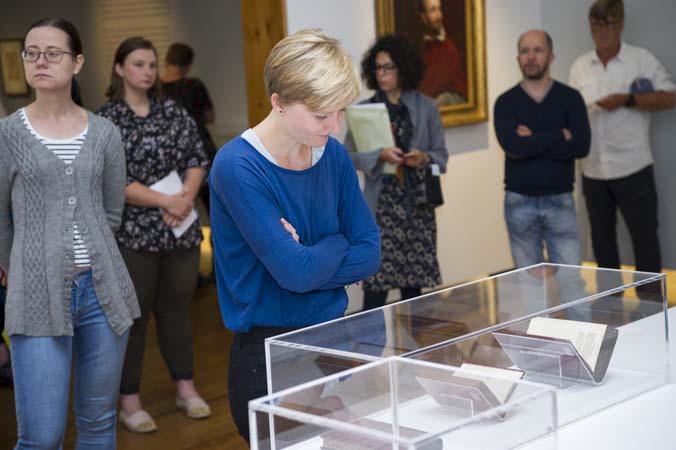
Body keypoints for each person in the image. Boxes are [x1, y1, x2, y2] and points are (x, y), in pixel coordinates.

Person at [209, 29, 381, 442]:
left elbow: (370, 253)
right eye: (322, 115)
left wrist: (309, 251)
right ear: (278, 103)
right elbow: (296, 275)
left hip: (332, 339)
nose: (335, 126)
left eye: (339, 111)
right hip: (269, 356)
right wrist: (339, 241)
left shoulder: (332, 154)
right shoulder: (237, 166)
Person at [0, 17, 139, 448]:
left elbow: (112, 212)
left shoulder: (104, 134)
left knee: (98, 423)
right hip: (35, 293)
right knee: (41, 436)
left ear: (77, 62)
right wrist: (17, 266)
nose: (40, 61)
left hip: (104, 292)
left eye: (53, 53)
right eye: (32, 53)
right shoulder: (7, 134)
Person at [98, 36, 210, 433]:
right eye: (137, 64)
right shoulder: (107, 119)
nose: (146, 71)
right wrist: (167, 201)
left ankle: (185, 387)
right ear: (119, 69)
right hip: (135, 235)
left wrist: (186, 197)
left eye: (151, 64)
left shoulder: (172, 111)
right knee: (134, 319)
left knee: (177, 313)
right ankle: (129, 400)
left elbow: (197, 157)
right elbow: (112, 179)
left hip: (178, 231)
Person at [569, 0, 676, 293]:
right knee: (602, 243)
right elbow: (572, 112)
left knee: (644, 239)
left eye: (609, 25)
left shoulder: (641, 60)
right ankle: (610, 304)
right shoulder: (580, 66)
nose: (603, 32)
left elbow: (669, 97)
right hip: (593, 169)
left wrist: (626, 100)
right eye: (597, 25)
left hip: (633, 166)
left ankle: (651, 308)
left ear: (621, 25)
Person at [345, 34, 448, 311]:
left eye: (388, 67)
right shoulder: (363, 111)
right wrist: (378, 155)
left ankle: (413, 350)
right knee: (376, 287)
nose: (381, 73)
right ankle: (372, 352)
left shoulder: (426, 107)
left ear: (403, 68)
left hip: (418, 208)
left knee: (414, 291)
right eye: (377, 68)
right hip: (382, 210)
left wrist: (423, 158)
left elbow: (442, 156)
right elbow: (347, 156)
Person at [494, 30, 590, 270]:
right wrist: (558, 134)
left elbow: (581, 146)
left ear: (551, 56)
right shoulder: (505, 102)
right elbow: (513, 147)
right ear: (518, 58)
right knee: (529, 287)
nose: (531, 57)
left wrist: (532, 142)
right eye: (524, 51)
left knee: (571, 283)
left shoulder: (570, 98)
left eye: (538, 50)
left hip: (560, 200)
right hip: (519, 203)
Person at [161, 42, 217, 213]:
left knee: (177, 205)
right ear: (188, 65)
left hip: (171, 153)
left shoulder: (156, 89)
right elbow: (210, 116)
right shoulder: (194, 86)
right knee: (213, 205)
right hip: (201, 148)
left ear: (166, 60)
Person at [417, 0, 467, 105]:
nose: (439, 15)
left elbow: (459, 91)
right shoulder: (420, 46)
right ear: (423, 17)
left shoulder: (449, 48)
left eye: (439, 9)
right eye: (433, 10)